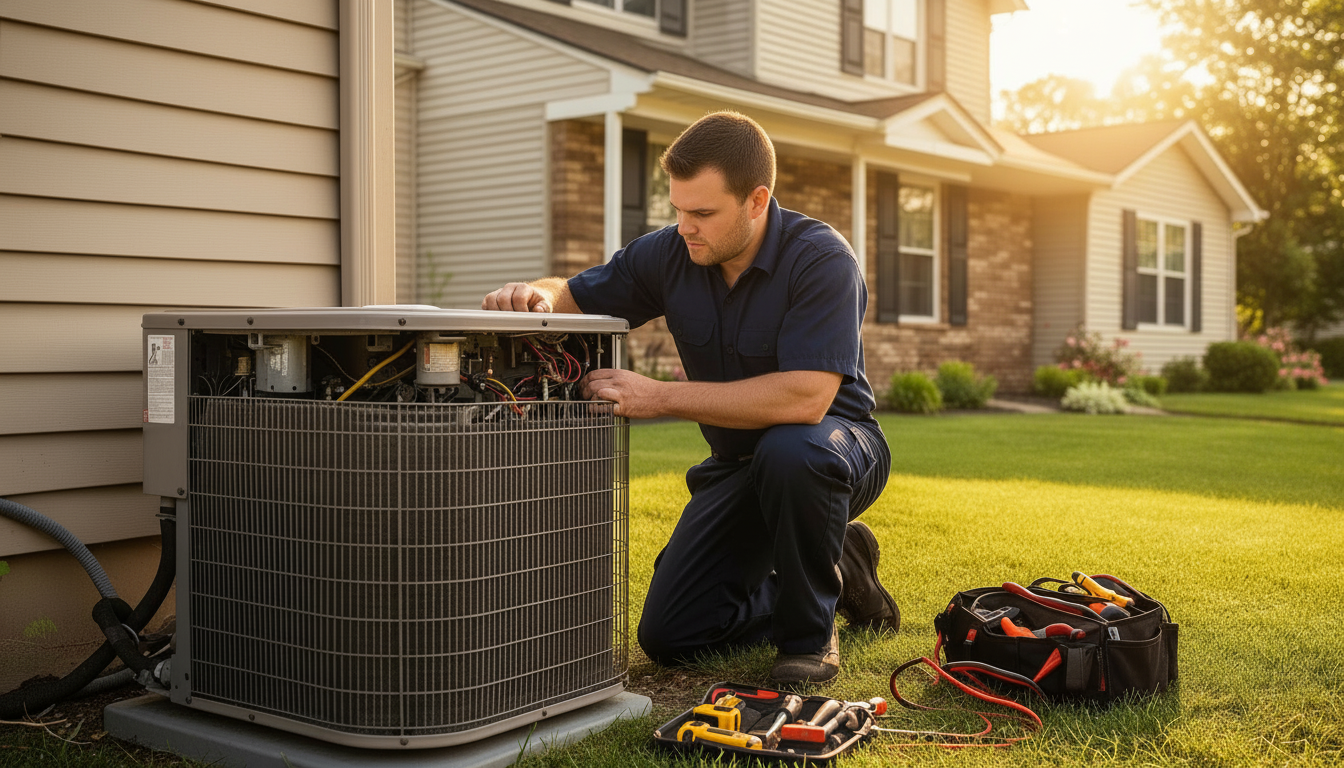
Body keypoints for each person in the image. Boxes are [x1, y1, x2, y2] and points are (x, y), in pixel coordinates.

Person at [482, 111, 897, 683]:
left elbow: (805, 399)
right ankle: (842, 573)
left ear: (756, 201)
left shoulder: (822, 260)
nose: (686, 226)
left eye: (702, 213)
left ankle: (809, 639)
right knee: (672, 634)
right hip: (739, 466)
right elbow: (574, 293)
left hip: (837, 450)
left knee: (791, 450)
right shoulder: (672, 252)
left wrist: (659, 398)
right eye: (678, 209)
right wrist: (539, 296)